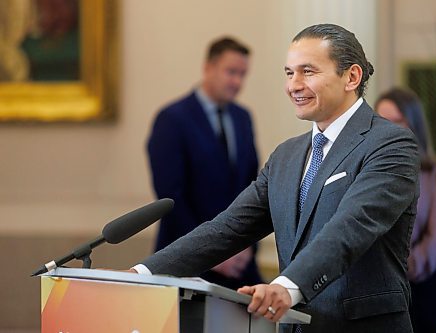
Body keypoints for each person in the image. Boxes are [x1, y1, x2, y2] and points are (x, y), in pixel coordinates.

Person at [135, 24, 420, 333]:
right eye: (288, 73)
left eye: (307, 71)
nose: (293, 85)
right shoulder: (287, 156)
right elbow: (226, 228)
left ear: (351, 77)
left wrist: (286, 286)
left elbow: (351, 227)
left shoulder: (391, 144)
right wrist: (142, 274)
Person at [146, 37, 262, 289]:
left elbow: (254, 187)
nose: (237, 82)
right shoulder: (172, 119)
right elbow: (170, 198)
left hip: (239, 264)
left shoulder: (243, 118)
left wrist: (246, 248)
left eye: (243, 74)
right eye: (231, 72)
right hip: (184, 260)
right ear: (208, 67)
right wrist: (212, 253)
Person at [375, 87, 436, 333]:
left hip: (417, 291)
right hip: (373, 294)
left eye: (396, 121)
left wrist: (402, 267)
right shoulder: (368, 172)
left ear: (413, 124)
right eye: (381, 121)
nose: (387, 129)